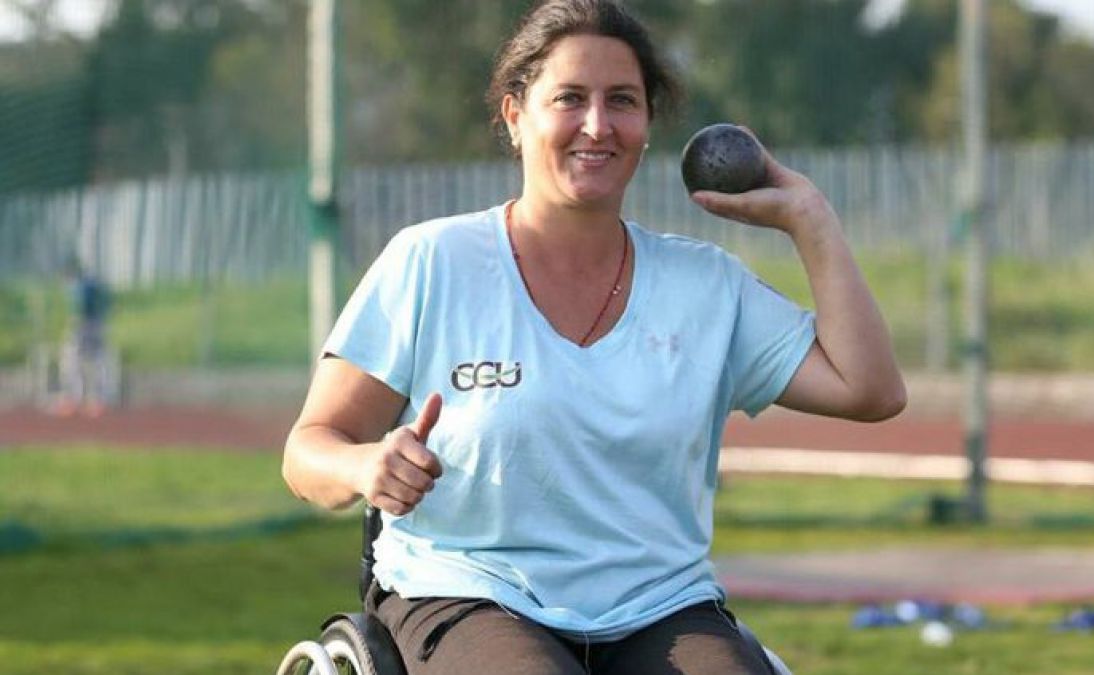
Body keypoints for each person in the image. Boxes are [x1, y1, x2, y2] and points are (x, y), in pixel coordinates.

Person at [282, 1, 905, 672]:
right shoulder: (432, 262)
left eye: (623, 101)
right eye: (570, 98)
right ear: (515, 115)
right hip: (470, 590)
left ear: (647, 124)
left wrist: (809, 217)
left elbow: (869, 388)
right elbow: (308, 449)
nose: (598, 125)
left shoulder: (706, 287)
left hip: (661, 606)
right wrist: (365, 466)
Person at [54, 257, 114, 417]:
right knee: (98, 361)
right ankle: (98, 401)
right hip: (99, 325)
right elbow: (108, 302)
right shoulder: (95, 283)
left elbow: (80, 306)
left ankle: (73, 399)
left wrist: (76, 320)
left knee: (70, 360)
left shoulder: (79, 285)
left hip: (84, 326)